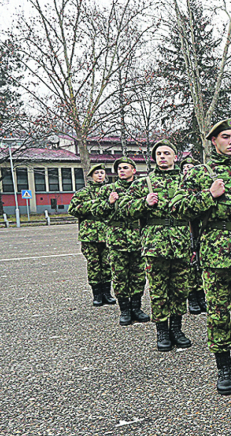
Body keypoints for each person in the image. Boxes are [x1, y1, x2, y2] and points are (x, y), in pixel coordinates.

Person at [173, 119, 231, 397]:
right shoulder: (199, 173)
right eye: (226, 137)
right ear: (214, 141)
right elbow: (177, 208)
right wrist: (208, 196)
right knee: (219, 314)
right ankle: (224, 368)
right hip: (215, 256)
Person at [118, 140, 193, 352]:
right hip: (154, 246)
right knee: (159, 290)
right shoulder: (144, 183)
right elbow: (123, 208)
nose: (162, 157)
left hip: (180, 243)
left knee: (180, 290)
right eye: (159, 153)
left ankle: (176, 329)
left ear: (175, 157)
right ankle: (162, 331)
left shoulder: (186, 182)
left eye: (167, 153)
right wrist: (144, 203)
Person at [97, 157, 151, 325]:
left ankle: (136, 307)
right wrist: (109, 203)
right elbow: (96, 211)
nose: (121, 170)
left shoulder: (142, 187)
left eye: (125, 167)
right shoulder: (108, 189)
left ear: (133, 170)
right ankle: (125, 310)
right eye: (119, 168)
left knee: (138, 276)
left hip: (138, 238)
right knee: (120, 276)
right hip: (117, 240)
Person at [69, 164, 115, 307]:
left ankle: (107, 293)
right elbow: (72, 209)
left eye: (102, 172)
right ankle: (97, 294)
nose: (100, 175)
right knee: (94, 264)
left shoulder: (110, 191)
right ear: (91, 176)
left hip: (107, 232)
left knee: (107, 263)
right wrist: (92, 204)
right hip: (89, 234)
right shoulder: (83, 193)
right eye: (97, 173)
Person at [180, 157, 207, 315]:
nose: (187, 169)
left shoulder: (199, 183)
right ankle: (192, 297)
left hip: (199, 229)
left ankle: (201, 296)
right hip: (185, 231)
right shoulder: (180, 185)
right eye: (185, 167)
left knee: (199, 266)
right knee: (190, 267)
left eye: (190, 166)